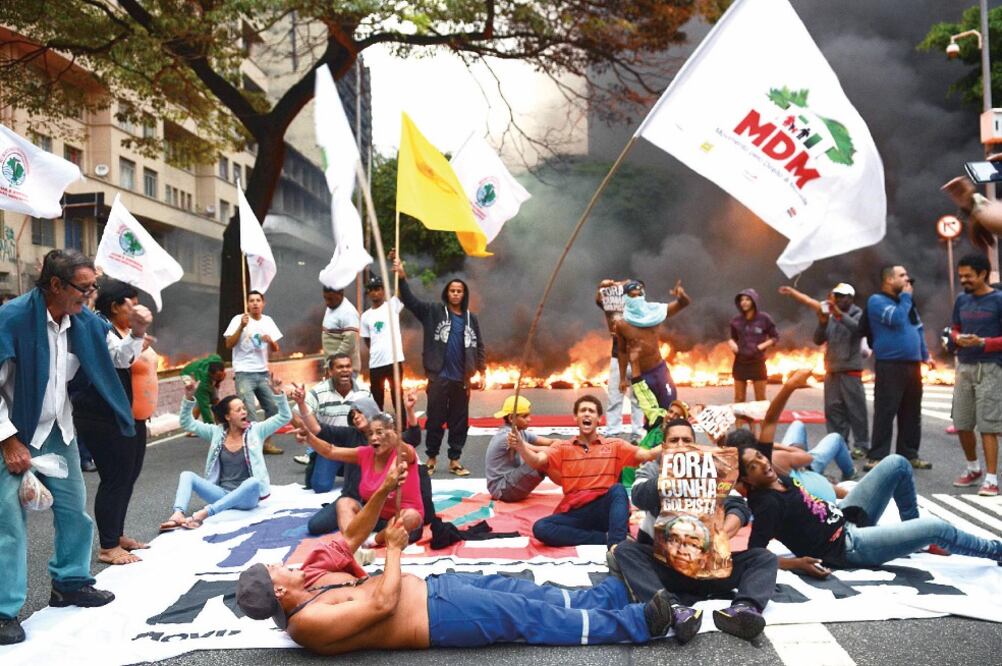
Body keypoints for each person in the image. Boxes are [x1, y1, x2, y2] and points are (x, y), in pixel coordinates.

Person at [235, 464, 681, 654]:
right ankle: (640, 624)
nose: (284, 563)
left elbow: (350, 538)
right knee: (527, 616)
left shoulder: (309, 579)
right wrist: (394, 550)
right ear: (279, 591)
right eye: (276, 569)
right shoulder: (307, 624)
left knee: (527, 592)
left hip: (438, 590)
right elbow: (381, 604)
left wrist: (386, 490)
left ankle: (610, 595)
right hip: (438, 620)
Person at [0, 250, 127, 645]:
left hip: (59, 428)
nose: (90, 295)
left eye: (93, 287)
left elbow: (118, 357)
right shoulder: (13, 318)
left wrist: (137, 331)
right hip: (13, 430)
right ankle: (3, 611)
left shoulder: (84, 320)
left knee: (74, 511)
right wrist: (8, 440)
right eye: (84, 288)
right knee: (9, 525)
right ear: (55, 285)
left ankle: (70, 582)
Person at [611, 418, 778, 643]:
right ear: (664, 445)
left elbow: (738, 507)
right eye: (674, 441)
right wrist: (673, 475)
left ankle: (744, 610)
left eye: (686, 440)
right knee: (625, 551)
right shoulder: (652, 468)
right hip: (667, 567)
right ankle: (672, 609)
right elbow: (639, 496)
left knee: (764, 558)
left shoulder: (710, 468)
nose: (681, 445)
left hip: (708, 566)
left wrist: (723, 532)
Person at [739, 448, 1002, 569]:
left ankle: (917, 540)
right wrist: (794, 564)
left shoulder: (778, 478)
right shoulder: (766, 504)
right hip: (846, 546)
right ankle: (996, 550)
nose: (762, 464)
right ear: (747, 480)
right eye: (752, 466)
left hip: (846, 515)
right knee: (936, 527)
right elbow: (755, 554)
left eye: (759, 456)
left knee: (898, 463)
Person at [70, 279, 155, 566]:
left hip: (131, 415)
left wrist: (138, 335)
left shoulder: (122, 331)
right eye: (132, 303)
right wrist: (137, 335)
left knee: (128, 475)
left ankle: (117, 535)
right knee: (115, 477)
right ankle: (108, 546)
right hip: (103, 415)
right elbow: (119, 360)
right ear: (116, 306)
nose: (137, 309)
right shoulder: (98, 326)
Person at [508, 395, 664, 547]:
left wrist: (670, 442)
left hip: (604, 509)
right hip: (576, 513)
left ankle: (618, 546)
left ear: (599, 419)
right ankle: (603, 538)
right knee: (541, 528)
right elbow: (536, 461)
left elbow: (648, 455)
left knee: (618, 489)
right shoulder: (562, 447)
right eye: (583, 410)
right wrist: (521, 447)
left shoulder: (615, 445)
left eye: (591, 411)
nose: (587, 414)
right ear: (575, 418)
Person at [159, 374, 292, 531]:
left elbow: (285, 416)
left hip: (247, 498)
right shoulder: (216, 433)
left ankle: (204, 514)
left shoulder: (256, 431)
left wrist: (278, 394)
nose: (244, 412)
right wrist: (188, 397)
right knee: (187, 475)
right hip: (221, 493)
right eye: (238, 410)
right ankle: (178, 514)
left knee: (253, 482)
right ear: (228, 416)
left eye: (244, 408)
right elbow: (187, 423)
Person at [393, 254, 486, 476]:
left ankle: (455, 460)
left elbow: (479, 345)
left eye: (459, 291)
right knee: (434, 420)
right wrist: (402, 278)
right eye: (452, 290)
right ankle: (431, 458)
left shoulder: (470, 318)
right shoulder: (433, 312)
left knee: (459, 422)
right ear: (447, 293)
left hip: (462, 380)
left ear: (464, 295)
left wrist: (482, 371)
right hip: (438, 377)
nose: (456, 294)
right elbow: (411, 302)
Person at [300, 406, 424, 545]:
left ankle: (372, 542)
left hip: (400, 520)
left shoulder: (403, 454)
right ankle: (353, 546)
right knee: (344, 503)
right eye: (370, 434)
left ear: (391, 434)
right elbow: (330, 451)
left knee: (411, 516)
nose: (374, 437)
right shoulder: (365, 453)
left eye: (379, 433)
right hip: (373, 519)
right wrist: (309, 437)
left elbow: (406, 448)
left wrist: (396, 438)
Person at [780, 282, 869, 458]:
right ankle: (838, 445)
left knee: (856, 411)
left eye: (843, 296)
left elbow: (858, 330)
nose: (839, 299)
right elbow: (818, 340)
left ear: (850, 298)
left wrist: (839, 315)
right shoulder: (830, 317)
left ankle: (861, 446)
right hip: (832, 370)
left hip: (850, 371)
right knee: (833, 411)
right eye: (837, 296)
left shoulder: (859, 314)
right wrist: (822, 323)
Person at [865, 265, 933, 471]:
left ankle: (909, 454)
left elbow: (918, 329)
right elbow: (896, 319)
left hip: (912, 365)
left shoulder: (906, 303)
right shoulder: (877, 301)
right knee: (885, 412)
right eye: (902, 276)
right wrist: (906, 298)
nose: (907, 280)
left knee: (912, 412)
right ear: (889, 280)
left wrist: (925, 355)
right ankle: (877, 457)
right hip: (890, 365)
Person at [947, 253, 1002, 496]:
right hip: (964, 367)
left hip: (990, 368)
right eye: (961, 276)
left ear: (983, 274)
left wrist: (983, 342)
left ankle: (991, 480)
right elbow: (954, 328)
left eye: (968, 276)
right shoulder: (962, 300)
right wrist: (957, 338)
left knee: (988, 425)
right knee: (962, 422)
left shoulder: (998, 300)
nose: (963, 280)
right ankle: (973, 469)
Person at [613, 279, 690, 410]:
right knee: (652, 414)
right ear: (625, 298)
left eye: (639, 295)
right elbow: (622, 351)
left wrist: (681, 295)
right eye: (633, 296)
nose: (637, 299)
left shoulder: (655, 313)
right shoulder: (622, 324)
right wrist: (622, 379)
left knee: (670, 407)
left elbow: (683, 303)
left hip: (660, 371)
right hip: (641, 376)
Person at [223, 290, 284, 455]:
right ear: (248, 304)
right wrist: (241, 327)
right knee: (249, 412)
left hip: (263, 373)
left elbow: (276, 348)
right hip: (244, 373)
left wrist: (270, 341)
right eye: (251, 301)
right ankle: (252, 446)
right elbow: (229, 344)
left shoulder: (268, 321)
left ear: (263, 303)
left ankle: (266, 442)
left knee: (273, 408)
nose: (255, 303)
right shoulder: (239, 319)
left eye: (258, 300)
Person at [296, 352, 372, 474]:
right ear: (330, 372)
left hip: (356, 444)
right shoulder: (318, 391)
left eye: (348, 366)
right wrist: (306, 433)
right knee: (319, 483)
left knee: (362, 481)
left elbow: (374, 418)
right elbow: (296, 414)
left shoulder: (364, 390)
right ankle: (314, 458)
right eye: (340, 367)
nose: (345, 370)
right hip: (328, 443)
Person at [485, 395, 557, 502]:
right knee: (545, 459)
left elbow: (549, 442)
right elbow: (538, 450)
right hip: (503, 490)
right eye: (525, 416)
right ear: (511, 418)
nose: (529, 419)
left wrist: (570, 443)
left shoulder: (521, 432)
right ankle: (572, 487)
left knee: (551, 455)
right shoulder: (508, 436)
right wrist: (565, 450)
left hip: (509, 484)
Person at [596, 279, 644, 440]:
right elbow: (600, 299)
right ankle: (612, 431)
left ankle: (638, 431)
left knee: (638, 398)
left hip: (638, 359)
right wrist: (603, 286)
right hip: (618, 357)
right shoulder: (615, 307)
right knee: (615, 395)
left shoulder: (646, 310)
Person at [359, 275, 405, 413]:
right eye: (371, 290)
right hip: (376, 364)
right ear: (368, 293)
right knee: (377, 400)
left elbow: (404, 290)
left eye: (378, 289)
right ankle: (379, 424)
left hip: (394, 361)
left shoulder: (393, 305)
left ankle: (402, 425)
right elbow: (367, 339)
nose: (375, 292)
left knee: (397, 398)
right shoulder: (365, 316)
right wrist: (377, 350)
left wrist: (400, 274)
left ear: (383, 290)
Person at [729, 289, 778, 402]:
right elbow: (733, 338)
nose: (744, 302)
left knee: (760, 399)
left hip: (757, 362)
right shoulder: (736, 321)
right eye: (742, 300)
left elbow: (775, 337)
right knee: (739, 399)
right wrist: (731, 343)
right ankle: (739, 415)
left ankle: (762, 415)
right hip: (740, 362)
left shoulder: (764, 318)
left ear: (754, 301)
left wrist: (760, 347)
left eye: (747, 299)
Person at [321, 286, 361, 371]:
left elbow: (350, 342)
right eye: (325, 298)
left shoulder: (348, 312)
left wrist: (334, 362)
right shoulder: (332, 307)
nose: (327, 303)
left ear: (340, 294)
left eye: (330, 299)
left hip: (344, 369)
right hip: (334, 368)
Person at [180, 353, 226, 424]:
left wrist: (217, 383)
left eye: (221, 375)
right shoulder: (203, 383)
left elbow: (214, 356)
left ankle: (220, 423)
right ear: (211, 375)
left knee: (215, 401)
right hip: (188, 374)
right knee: (200, 403)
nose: (221, 377)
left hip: (201, 374)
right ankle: (189, 425)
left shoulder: (217, 361)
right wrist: (210, 426)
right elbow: (204, 407)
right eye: (217, 377)